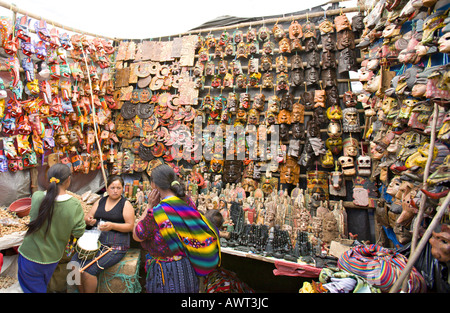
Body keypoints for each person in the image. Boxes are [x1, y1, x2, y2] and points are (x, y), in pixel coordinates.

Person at [133, 164, 220, 293]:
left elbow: (137, 234)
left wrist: (149, 206)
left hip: (165, 272)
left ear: (154, 185)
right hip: (187, 268)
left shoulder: (157, 212)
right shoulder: (187, 202)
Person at [17, 163, 86, 293]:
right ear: (68, 180)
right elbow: (79, 231)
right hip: (52, 259)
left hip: (29, 256)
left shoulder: (37, 197)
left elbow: (33, 218)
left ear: (48, 178)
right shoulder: (74, 204)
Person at [72, 175, 135, 293]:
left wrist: (113, 226)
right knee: (74, 265)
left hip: (115, 246)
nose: (115, 191)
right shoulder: (100, 201)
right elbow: (88, 216)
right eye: (112, 187)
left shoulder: (125, 205)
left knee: (89, 271)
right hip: (96, 243)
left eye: (118, 188)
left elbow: (130, 226)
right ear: (107, 188)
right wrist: (89, 220)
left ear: (123, 189)